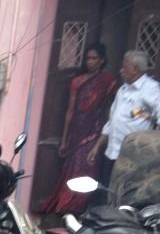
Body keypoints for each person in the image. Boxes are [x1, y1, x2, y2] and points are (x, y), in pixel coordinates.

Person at [87, 50, 160, 201]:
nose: (121, 71)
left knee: (125, 196)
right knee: (106, 192)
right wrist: (97, 146)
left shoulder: (150, 88)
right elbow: (112, 121)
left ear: (136, 69)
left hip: (131, 156)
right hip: (111, 153)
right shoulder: (123, 90)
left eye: (125, 67)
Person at [43, 43, 117, 214]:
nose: (90, 62)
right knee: (73, 168)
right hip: (77, 131)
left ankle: (79, 207)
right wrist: (64, 138)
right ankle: (66, 206)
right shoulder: (77, 81)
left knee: (87, 168)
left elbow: (111, 109)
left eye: (94, 58)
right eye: (88, 58)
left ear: (102, 60)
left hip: (96, 132)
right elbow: (70, 110)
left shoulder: (108, 81)